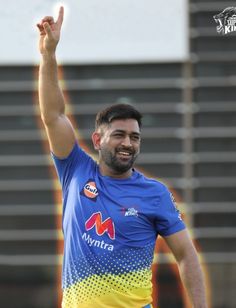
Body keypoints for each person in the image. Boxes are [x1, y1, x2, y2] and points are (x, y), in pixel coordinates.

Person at [37, 7, 207, 308]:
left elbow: (186, 256)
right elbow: (53, 115)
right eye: (119, 135)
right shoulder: (75, 169)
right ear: (98, 139)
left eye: (135, 137)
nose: (128, 143)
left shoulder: (155, 193)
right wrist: (48, 54)